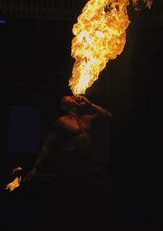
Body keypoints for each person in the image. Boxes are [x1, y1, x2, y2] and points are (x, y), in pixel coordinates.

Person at [24, 95, 112, 231]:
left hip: (87, 168)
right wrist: (36, 167)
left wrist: (90, 105)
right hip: (68, 169)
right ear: (64, 106)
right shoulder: (61, 122)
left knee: (86, 206)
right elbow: (47, 145)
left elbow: (108, 116)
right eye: (69, 97)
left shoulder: (87, 118)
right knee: (67, 205)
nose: (74, 96)